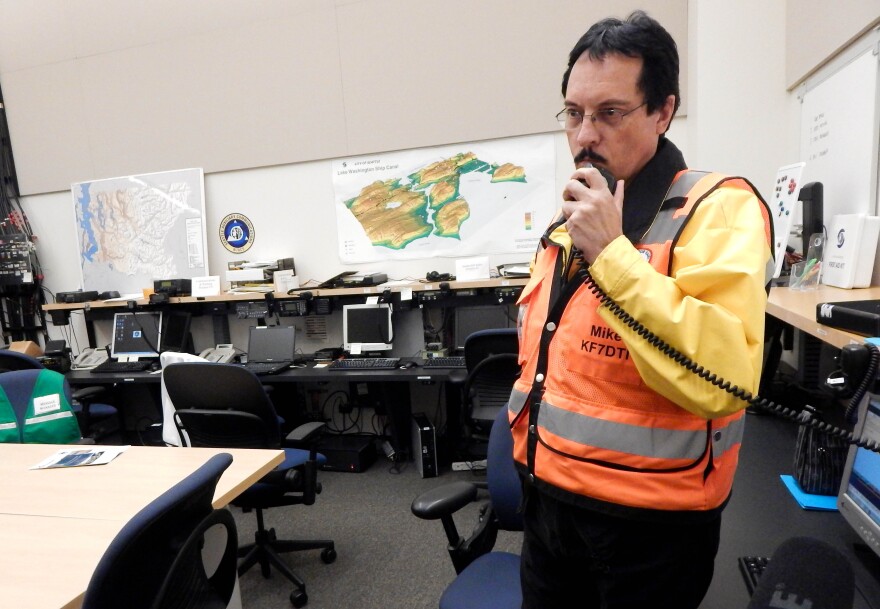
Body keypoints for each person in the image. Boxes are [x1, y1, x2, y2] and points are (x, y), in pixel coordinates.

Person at [508, 11, 773, 609]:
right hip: (548, 503)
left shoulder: (717, 209)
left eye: (609, 113)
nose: (584, 136)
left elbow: (726, 377)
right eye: (573, 113)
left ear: (662, 111)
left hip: (649, 527)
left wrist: (614, 256)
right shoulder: (567, 224)